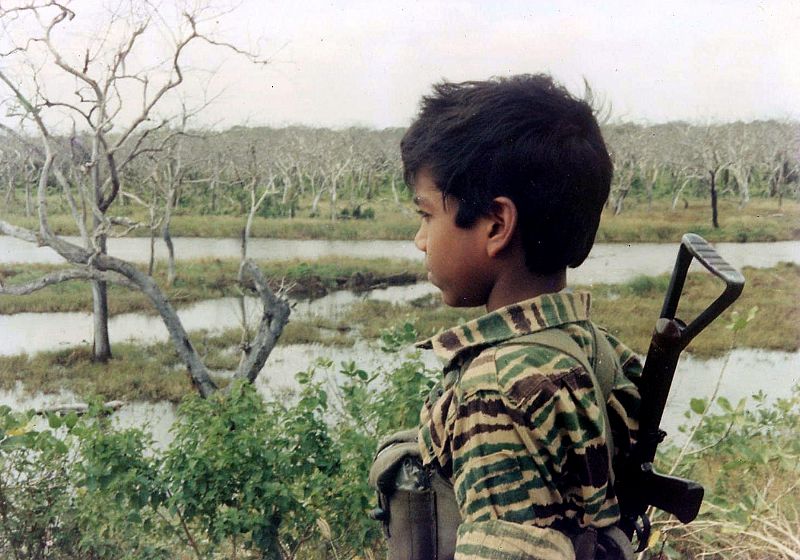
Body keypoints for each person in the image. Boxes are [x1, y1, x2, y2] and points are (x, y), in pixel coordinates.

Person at [401, 74, 642, 559]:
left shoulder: (494, 389)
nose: (420, 240)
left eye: (427, 215)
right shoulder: (594, 346)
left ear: (495, 224)